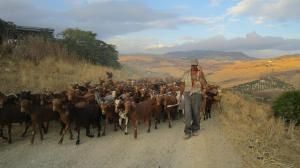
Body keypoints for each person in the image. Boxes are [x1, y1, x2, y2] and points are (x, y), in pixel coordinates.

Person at [180, 59, 207, 139]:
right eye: (192, 65)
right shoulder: (186, 73)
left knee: (196, 112)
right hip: (187, 94)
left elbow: (205, 85)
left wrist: (200, 78)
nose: (194, 66)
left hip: (197, 94)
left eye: (195, 65)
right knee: (187, 112)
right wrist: (180, 96)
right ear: (191, 65)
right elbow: (182, 84)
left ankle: (195, 128)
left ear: (197, 65)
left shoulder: (200, 74)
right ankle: (187, 131)